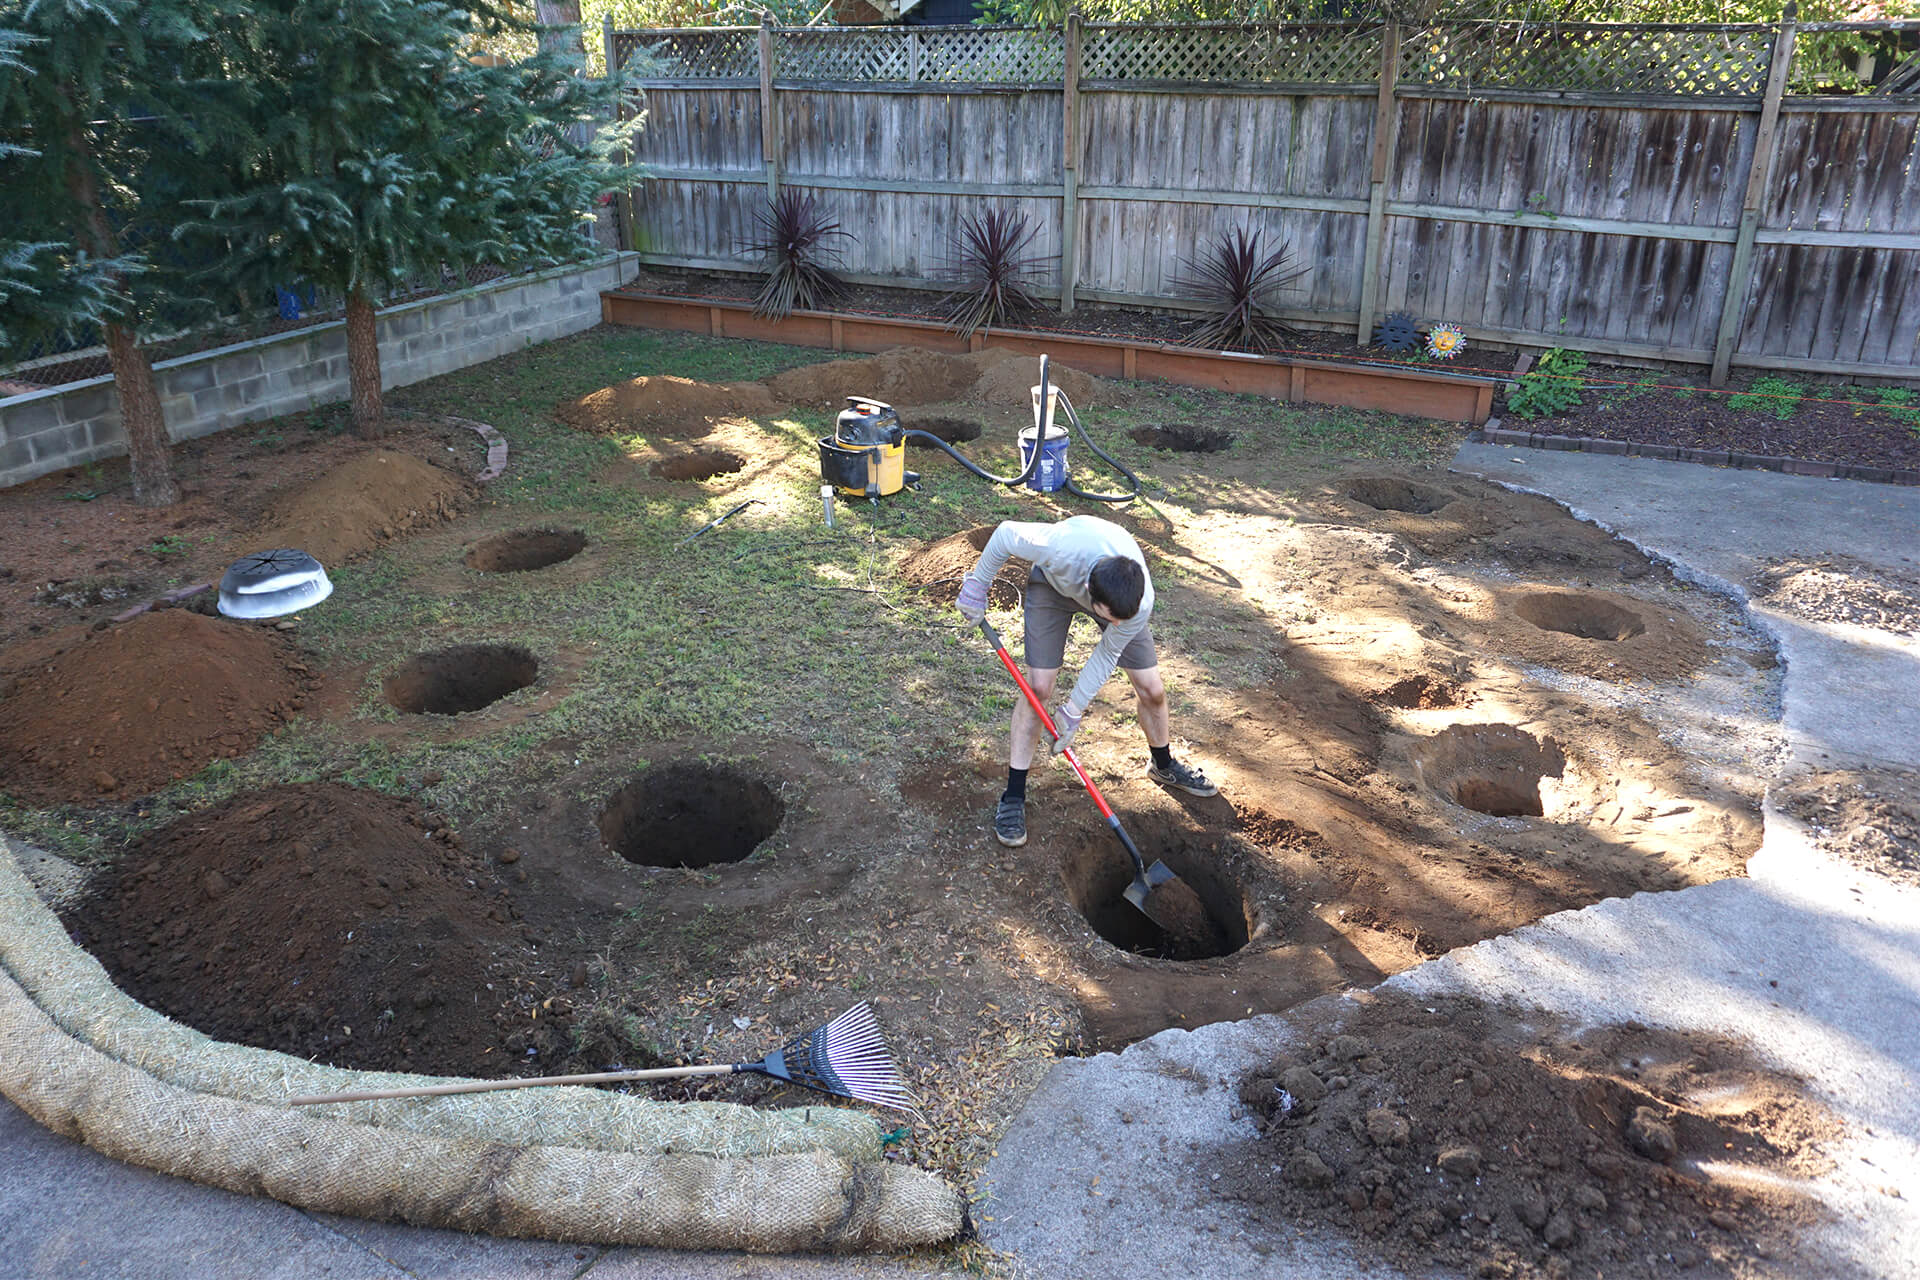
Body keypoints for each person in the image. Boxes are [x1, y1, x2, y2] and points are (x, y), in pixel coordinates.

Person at [955, 515, 1217, 848]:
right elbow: (1006, 533)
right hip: (1052, 586)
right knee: (1039, 688)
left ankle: (1163, 765)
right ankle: (1013, 796)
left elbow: (1106, 655)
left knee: (1152, 689)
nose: (1114, 625)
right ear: (1092, 597)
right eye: (1109, 619)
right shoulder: (1057, 549)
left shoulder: (1136, 605)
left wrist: (1074, 711)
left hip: (1112, 598)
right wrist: (978, 586)